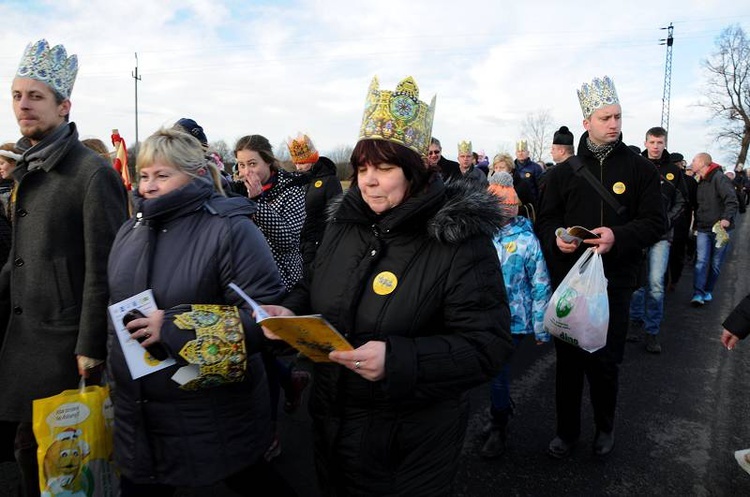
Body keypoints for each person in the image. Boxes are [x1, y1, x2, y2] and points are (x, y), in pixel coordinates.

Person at [261, 75, 513, 496]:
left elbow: (488, 345)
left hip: (409, 447)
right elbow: (317, 284)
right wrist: (291, 311)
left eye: (384, 168)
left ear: (414, 171)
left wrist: (400, 360)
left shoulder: (459, 241)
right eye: (362, 168)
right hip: (332, 429)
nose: (368, 180)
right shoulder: (344, 223)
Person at [106, 128, 297, 496]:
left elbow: (268, 324)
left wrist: (177, 328)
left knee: (251, 479)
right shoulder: (129, 230)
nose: (149, 185)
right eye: (145, 175)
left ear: (195, 175)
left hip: (212, 411)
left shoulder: (231, 230)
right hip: (141, 413)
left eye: (163, 175)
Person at [0, 39, 129, 496]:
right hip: (22, 333)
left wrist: (92, 346)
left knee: (58, 459)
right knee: (28, 451)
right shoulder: (25, 165)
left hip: (63, 345)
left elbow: (106, 268)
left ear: (64, 105)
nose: (23, 105)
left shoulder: (91, 173)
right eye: (16, 95)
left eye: (35, 96)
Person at [535, 75, 665, 459]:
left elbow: (657, 222)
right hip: (572, 283)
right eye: (605, 117)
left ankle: (605, 428)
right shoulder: (561, 174)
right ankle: (567, 432)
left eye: (618, 116)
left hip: (616, 282)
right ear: (586, 123)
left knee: (606, 362)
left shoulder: (641, 170)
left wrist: (618, 237)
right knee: (569, 362)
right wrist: (556, 237)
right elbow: (545, 221)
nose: (614, 124)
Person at [232, 133, 306, 459]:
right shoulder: (237, 191)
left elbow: (288, 239)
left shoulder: (291, 191)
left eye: (253, 163)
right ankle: (290, 382)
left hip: (280, 285)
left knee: (267, 356)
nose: (247, 170)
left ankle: (271, 427)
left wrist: (258, 201)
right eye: (241, 164)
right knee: (259, 358)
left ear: (268, 162)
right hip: (248, 285)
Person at [481, 171, 551, 459]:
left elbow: (540, 283)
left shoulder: (527, 241)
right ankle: (500, 409)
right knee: (491, 373)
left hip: (515, 322)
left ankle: (499, 426)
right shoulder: (480, 237)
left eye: (507, 207)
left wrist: (541, 327)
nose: (502, 212)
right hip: (483, 320)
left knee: (498, 373)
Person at [627, 127, 686, 353]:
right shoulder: (635, 165)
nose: (655, 146)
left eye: (659, 142)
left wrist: (667, 221)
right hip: (639, 234)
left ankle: (652, 331)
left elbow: (681, 201)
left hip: (661, 236)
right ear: (646, 142)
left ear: (664, 143)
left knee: (656, 284)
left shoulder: (673, 170)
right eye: (652, 142)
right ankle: (635, 321)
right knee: (637, 283)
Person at [286, 132, 343, 272]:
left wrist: (326, 243)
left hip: (318, 244)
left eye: (302, 162)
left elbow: (337, 215)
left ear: (312, 160)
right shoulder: (298, 182)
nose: (298, 167)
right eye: (296, 163)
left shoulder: (330, 181)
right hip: (298, 244)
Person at [689, 153, 738, 306]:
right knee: (702, 261)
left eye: (694, 161)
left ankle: (707, 291)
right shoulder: (700, 180)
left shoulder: (719, 178)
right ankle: (698, 293)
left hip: (720, 229)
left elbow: (732, 200)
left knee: (716, 263)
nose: (691, 163)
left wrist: (726, 218)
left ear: (703, 163)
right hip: (704, 228)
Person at [490, 152, 535, 222]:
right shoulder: (490, 185)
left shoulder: (521, 184)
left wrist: (513, 210)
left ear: (510, 169)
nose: (498, 170)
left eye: (502, 167)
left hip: (517, 225)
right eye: (496, 167)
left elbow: (531, 205)